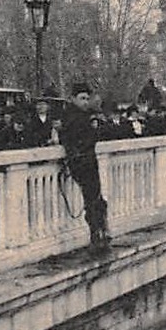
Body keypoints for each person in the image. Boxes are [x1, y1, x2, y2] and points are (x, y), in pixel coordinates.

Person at [58, 82, 111, 253]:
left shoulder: (87, 115)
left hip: (89, 160)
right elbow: (71, 139)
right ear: (72, 99)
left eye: (87, 98)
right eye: (82, 98)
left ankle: (100, 232)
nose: (85, 102)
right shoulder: (70, 117)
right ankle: (97, 234)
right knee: (92, 198)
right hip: (80, 162)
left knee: (95, 197)